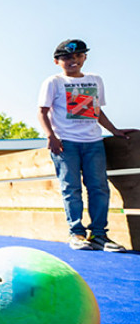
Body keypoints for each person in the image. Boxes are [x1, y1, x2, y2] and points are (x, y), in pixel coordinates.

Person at [38, 39, 135, 252]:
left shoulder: (95, 80)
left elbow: (96, 111)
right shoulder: (53, 82)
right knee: (71, 188)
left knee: (99, 188)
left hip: (93, 142)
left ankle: (99, 235)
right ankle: (77, 233)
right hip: (66, 143)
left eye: (78, 56)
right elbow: (42, 111)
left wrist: (115, 131)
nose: (73, 60)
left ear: (85, 58)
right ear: (57, 61)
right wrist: (50, 136)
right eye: (67, 58)